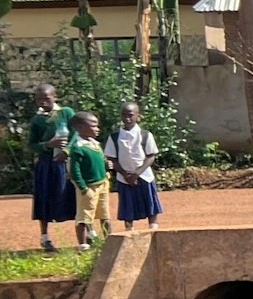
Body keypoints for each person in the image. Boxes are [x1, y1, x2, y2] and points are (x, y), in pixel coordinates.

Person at [27, 84, 76, 252]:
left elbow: (77, 133)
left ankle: (88, 233)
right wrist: (48, 145)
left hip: (66, 163)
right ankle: (45, 237)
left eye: (46, 98)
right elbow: (32, 145)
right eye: (39, 99)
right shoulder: (36, 120)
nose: (43, 102)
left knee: (75, 195)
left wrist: (67, 150)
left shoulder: (66, 113)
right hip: (47, 164)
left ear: (55, 97)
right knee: (44, 197)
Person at [109, 102, 164, 231]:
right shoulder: (115, 137)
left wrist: (136, 174)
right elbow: (112, 158)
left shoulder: (145, 135)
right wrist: (125, 174)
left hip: (144, 175)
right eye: (124, 115)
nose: (127, 118)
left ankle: (153, 228)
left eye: (131, 115)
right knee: (127, 204)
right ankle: (129, 230)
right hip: (124, 177)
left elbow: (151, 156)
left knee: (150, 203)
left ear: (137, 116)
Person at [66, 112, 111, 250]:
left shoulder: (95, 144)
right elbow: (75, 170)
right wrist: (82, 187)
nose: (97, 129)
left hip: (102, 184)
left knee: (105, 214)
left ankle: (109, 240)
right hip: (88, 187)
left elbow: (101, 162)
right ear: (80, 128)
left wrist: (107, 167)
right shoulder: (78, 148)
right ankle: (83, 244)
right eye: (93, 126)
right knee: (84, 216)